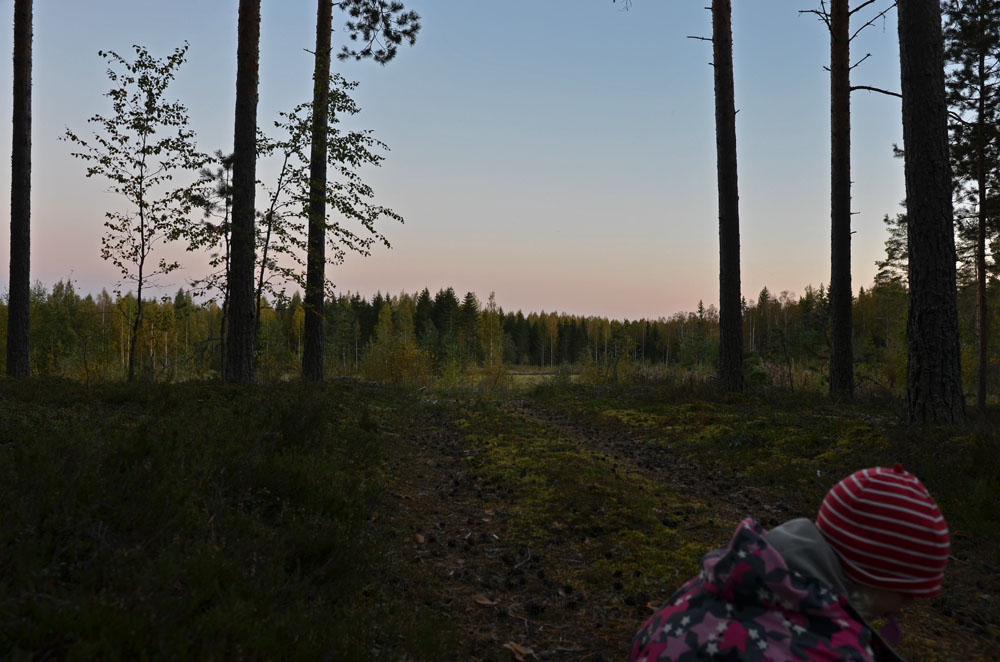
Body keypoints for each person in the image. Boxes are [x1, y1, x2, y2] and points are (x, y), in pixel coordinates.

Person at [630, 464, 949, 661]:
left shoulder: (699, 593)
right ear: (869, 573)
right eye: (906, 591)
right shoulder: (834, 650)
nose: (907, 604)